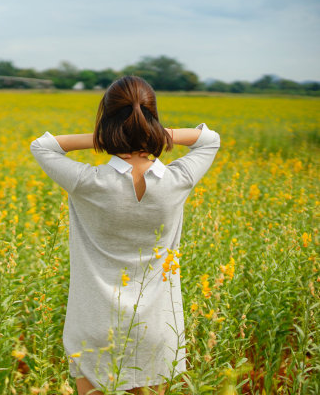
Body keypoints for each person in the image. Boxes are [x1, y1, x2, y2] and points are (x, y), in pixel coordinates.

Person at [29, 76, 221, 394]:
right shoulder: (179, 179)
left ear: (106, 120)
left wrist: (110, 138)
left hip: (94, 324)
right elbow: (208, 139)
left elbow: (43, 145)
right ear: (153, 118)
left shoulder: (86, 182)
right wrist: (149, 135)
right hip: (157, 325)